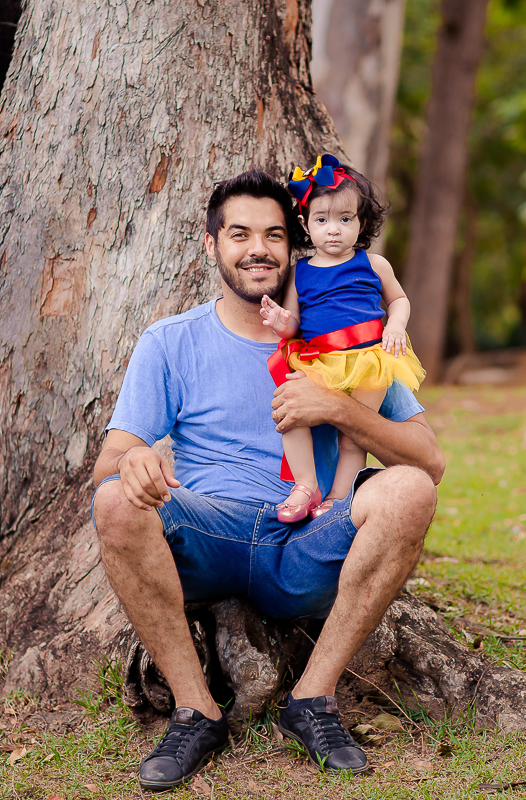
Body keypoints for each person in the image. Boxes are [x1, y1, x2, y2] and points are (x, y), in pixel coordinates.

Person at [91, 168, 443, 792]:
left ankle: (312, 700)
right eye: (239, 233)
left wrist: (336, 407)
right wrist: (134, 461)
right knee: (116, 501)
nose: (258, 248)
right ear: (211, 244)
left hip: (308, 542)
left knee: (411, 490)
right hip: (212, 531)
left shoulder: (342, 332)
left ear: (295, 242)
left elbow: (429, 459)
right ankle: (195, 712)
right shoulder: (170, 342)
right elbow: (112, 456)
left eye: (274, 234)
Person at [260, 154, 425, 523]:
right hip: (319, 359)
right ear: (306, 224)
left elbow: (398, 299)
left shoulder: (374, 264)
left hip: (369, 360)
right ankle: (305, 485)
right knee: (291, 414)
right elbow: (293, 324)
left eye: (344, 219)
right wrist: (280, 321)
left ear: (361, 222)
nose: (333, 230)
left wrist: (396, 326)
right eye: (322, 220)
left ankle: (339, 496)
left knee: (354, 437)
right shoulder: (300, 272)